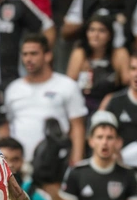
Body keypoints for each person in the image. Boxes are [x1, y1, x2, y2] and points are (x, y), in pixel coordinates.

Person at [5, 33, 88, 166]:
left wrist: (76, 162)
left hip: (55, 163)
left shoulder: (67, 86)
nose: (28, 59)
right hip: (18, 164)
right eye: (25, 54)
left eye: (33, 54)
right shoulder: (13, 89)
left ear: (48, 55)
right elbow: (8, 127)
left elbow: (77, 126)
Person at [66, 14, 129, 114]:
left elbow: (129, 84)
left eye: (101, 31)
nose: (96, 35)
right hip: (83, 105)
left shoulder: (119, 54)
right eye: (92, 30)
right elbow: (69, 85)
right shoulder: (79, 54)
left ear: (110, 35)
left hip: (112, 105)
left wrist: (112, 97)